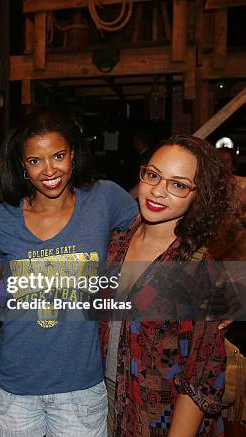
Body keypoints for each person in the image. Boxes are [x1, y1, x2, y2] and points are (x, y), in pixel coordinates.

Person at [0, 112, 138, 437]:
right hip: (15, 386)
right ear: (22, 167)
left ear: (73, 154)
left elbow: (155, 238)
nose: (50, 170)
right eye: (35, 160)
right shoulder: (0, 219)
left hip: (80, 387)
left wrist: (207, 291)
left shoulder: (104, 199)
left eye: (58, 156)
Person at [101, 135, 232, 437]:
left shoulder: (199, 272)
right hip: (102, 404)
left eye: (178, 184)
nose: (158, 191)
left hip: (162, 421)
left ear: (199, 196)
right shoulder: (115, 241)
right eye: (153, 175)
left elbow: (201, 381)